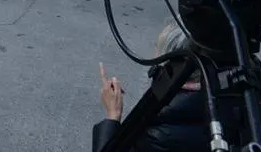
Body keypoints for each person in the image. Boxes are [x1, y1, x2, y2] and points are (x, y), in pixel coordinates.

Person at [93, 21, 226, 152]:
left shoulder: (156, 132)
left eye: (157, 46)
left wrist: (113, 114)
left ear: (175, 64)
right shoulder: (230, 102)